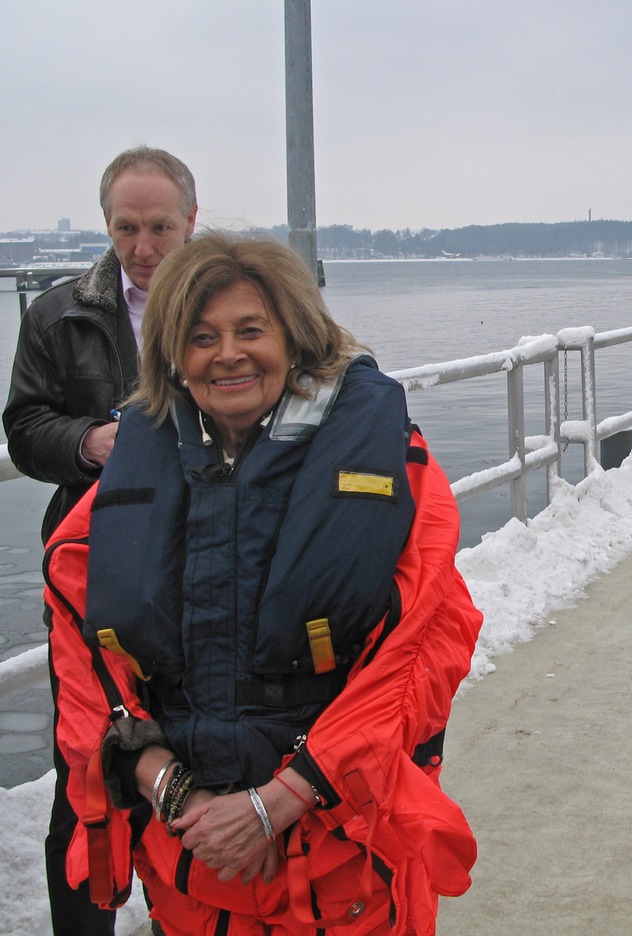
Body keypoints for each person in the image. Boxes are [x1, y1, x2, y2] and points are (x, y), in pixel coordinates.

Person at [43, 233, 483, 934]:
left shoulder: (391, 462)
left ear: (296, 337)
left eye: (251, 330)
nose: (227, 354)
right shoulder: (141, 458)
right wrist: (164, 781)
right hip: (190, 858)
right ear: (171, 353)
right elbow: (78, 641)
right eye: (201, 336)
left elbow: (424, 645)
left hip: (340, 857)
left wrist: (280, 802)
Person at [3, 145, 197, 936]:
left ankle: (191, 914)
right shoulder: (57, 312)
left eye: (159, 226)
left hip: (206, 563)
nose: (143, 246)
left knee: (203, 753)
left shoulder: (227, 299)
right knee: (86, 766)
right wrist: (90, 442)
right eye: (126, 228)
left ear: (191, 218)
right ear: (105, 223)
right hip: (94, 569)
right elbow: (23, 427)